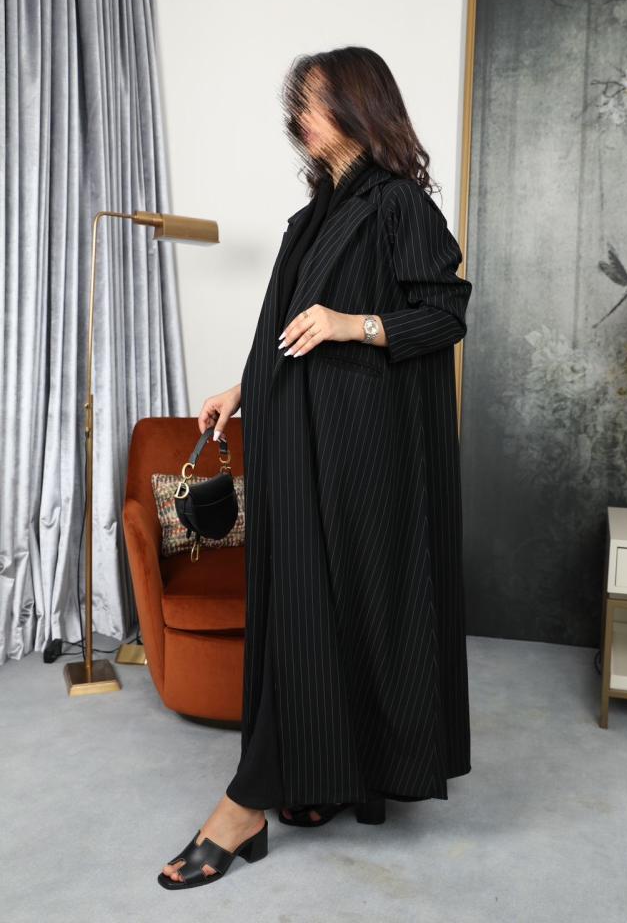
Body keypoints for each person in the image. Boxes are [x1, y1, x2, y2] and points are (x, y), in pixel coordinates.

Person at [158, 46, 473, 890]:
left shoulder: (398, 203)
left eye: (316, 102)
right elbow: (286, 330)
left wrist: (353, 324)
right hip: (296, 446)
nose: (299, 118)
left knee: (339, 608)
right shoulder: (312, 218)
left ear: (362, 108)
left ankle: (244, 805)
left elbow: (445, 315)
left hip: (361, 455)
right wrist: (243, 388)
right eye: (297, 103)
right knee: (300, 614)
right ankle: (324, 774)